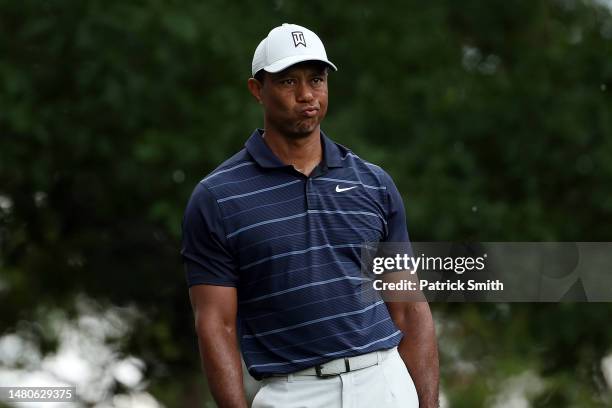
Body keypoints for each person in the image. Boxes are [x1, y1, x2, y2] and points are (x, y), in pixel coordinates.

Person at [182, 23, 439, 408]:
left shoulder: (374, 184)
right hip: (292, 393)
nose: (306, 95)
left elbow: (408, 307)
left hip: (383, 381)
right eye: (288, 82)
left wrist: (428, 403)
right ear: (257, 89)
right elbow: (215, 326)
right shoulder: (217, 198)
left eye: (316, 80)